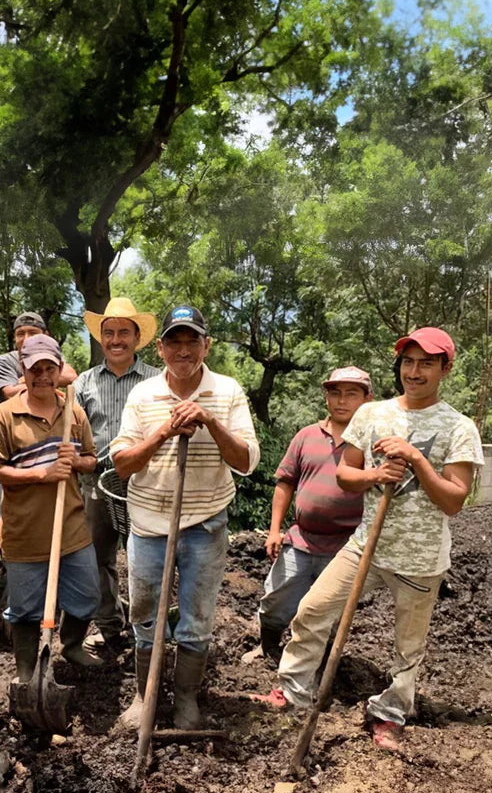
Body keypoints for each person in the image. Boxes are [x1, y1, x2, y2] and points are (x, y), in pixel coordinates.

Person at [256, 327, 483, 752]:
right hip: (366, 546)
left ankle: (390, 712)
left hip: (421, 557)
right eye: (408, 362)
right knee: (313, 609)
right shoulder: (371, 414)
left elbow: (454, 499)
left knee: (408, 646)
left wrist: (415, 459)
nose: (414, 372)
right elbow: (346, 473)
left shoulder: (459, 427)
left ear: (445, 369)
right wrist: (377, 475)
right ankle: (293, 691)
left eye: (426, 364)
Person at [111, 306, 260, 731]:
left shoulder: (228, 392)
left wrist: (209, 420)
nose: (182, 349)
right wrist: (163, 433)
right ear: (160, 349)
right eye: (173, 341)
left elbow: (247, 461)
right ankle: (146, 697)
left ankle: (187, 701)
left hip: (206, 523)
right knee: (144, 614)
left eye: (191, 340)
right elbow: (122, 465)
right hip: (148, 524)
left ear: (206, 346)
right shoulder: (142, 396)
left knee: (196, 618)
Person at [0, 334, 104, 680]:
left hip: (71, 528)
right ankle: (25, 671)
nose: (43, 376)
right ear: (24, 370)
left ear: (60, 369)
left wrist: (77, 461)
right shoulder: (4, 416)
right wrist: (41, 472)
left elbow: (92, 460)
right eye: (35, 369)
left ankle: (73, 645)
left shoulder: (73, 412)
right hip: (25, 534)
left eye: (50, 368)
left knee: (87, 595)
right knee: (24, 611)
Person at [241, 366, 372, 666]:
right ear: (326, 397)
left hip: (346, 546)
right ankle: (268, 648)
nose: (341, 401)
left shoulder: (371, 443)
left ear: (367, 399)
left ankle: (320, 663)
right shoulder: (307, 436)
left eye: (351, 394)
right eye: (335, 393)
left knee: (330, 609)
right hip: (301, 539)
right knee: (276, 598)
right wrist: (275, 530)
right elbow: (285, 483)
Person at [73, 297, 161, 658]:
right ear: (101, 339)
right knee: (98, 559)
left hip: (148, 483)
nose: (116, 339)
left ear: (137, 337)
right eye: (108, 333)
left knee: (149, 559)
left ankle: (152, 630)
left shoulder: (158, 380)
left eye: (124, 332)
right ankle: (111, 628)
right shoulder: (84, 383)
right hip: (97, 484)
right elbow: (73, 434)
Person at [0, 312, 78, 583]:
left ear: (47, 335)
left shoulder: (56, 358)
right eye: (21, 334)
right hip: (8, 444)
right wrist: (45, 383)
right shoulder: (6, 361)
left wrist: (30, 381)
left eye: (33, 332)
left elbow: (72, 374)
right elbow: (8, 392)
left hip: (42, 446)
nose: (26, 338)